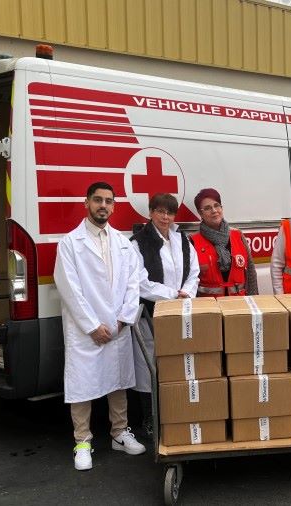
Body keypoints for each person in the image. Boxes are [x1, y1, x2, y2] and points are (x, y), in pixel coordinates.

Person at [54, 181, 146, 471]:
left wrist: (122, 319)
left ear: (114, 206)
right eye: (97, 200)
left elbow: (134, 284)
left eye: (108, 201)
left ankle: (120, 433)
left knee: (117, 380)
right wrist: (92, 326)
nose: (103, 205)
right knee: (83, 385)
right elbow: (68, 288)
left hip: (117, 325)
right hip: (86, 330)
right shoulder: (70, 243)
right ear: (87, 203)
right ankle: (82, 441)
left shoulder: (123, 242)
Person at [129, 192, 200, 435]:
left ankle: (177, 414)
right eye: (160, 211)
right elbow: (139, 282)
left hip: (180, 313)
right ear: (150, 212)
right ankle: (150, 418)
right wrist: (172, 294)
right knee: (149, 368)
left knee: (177, 366)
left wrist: (187, 293)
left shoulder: (183, 240)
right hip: (150, 314)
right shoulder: (138, 242)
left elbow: (194, 272)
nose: (165, 217)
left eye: (170, 212)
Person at [191, 188, 258, 297]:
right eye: (207, 208)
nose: (214, 210)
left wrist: (253, 299)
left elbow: (250, 272)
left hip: (239, 305)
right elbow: (190, 280)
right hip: (210, 308)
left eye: (217, 205)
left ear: (221, 208)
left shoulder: (238, 235)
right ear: (200, 213)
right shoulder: (193, 241)